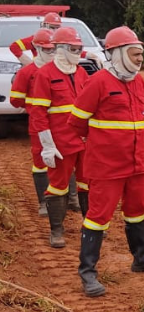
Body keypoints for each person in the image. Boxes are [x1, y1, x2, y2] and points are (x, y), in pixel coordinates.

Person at [69, 26, 144, 297]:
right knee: (98, 217)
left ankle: (141, 259)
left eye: (141, 54)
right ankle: (88, 273)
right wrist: (103, 147)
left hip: (136, 164)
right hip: (107, 167)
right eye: (135, 54)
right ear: (118, 54)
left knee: (137, 211)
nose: (140, 59)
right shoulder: (98, 82)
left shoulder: (139, 81)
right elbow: (76, 123)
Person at [27, 27, 90, 248]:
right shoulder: (45, 75)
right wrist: (47, 145)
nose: (78, 52)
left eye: (79, 48)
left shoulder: (81, 73)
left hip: (84, 143)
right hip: (61, 143)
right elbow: (38, 114)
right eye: (73, 48)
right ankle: (56, 231)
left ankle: (89, 226)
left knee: (86, 184)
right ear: (60, 49)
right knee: (58, 186)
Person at [9, 29, 56, 217]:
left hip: (61, 124)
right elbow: (15, 100)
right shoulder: (27, 72)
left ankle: (70, 198)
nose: (51, 53)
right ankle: (44, 202)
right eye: (48, 49)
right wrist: (34, 105)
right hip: (38, 124)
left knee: (66, 159)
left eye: (54, 49)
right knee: (40, 161)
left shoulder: (62, 70)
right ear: (36, 48)